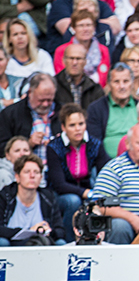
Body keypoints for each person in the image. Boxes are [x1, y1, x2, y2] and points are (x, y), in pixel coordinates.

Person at [92, 124, 139, 244]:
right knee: (119, 225)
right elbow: (101, 204)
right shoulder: (115, 168)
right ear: (128, 144)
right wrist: (132, 219)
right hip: (127, 228)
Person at [46, 103, 111, 240]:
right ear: (63, 127)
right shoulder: (54, 147)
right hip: (61, 195)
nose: (78, 129)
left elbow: (106, 172)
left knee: (106, 201)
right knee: (73, 201)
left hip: (89, 192)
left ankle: (99, 241)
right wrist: (86, 193)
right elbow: (59, 185)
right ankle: (70, 241)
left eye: (81, 124)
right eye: (72, 125)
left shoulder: (95, 144)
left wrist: (99, 193)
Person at [0, 154, 65, 245]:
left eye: (36, 172)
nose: (32, 176)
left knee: (61, 243)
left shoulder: (48, 197)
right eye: (27, 172)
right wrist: (28, 231)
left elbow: (60, 231)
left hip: (40, 244)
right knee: (2, 242)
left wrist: (48, 231)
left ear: (41, 178)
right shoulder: (5, 195)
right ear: (17, 177)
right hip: (12, 244)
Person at [0, 73, 58, 159]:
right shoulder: (11, 114)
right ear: (30, 92)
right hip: (21, 165)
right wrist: (28, 143)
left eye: (49, 100)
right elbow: (2, 148)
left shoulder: (62, 112)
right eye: (41, 100)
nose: (45, 104)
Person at [86, 62, 138, 157]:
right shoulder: (96, 109)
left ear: (132, 83)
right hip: (107, 163)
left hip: (138, 161)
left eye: (126, 81)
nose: (121, 86)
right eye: (116, 82)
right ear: (109, 84)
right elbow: (94, 145)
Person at [54, 11, 112, 89]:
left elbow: (105, 78)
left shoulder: (103, 50)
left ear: (94, 27)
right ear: (73, 28)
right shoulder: (62, 50)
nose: (85, 29)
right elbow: (61, 77)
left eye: (89, 25)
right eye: (81, 25)